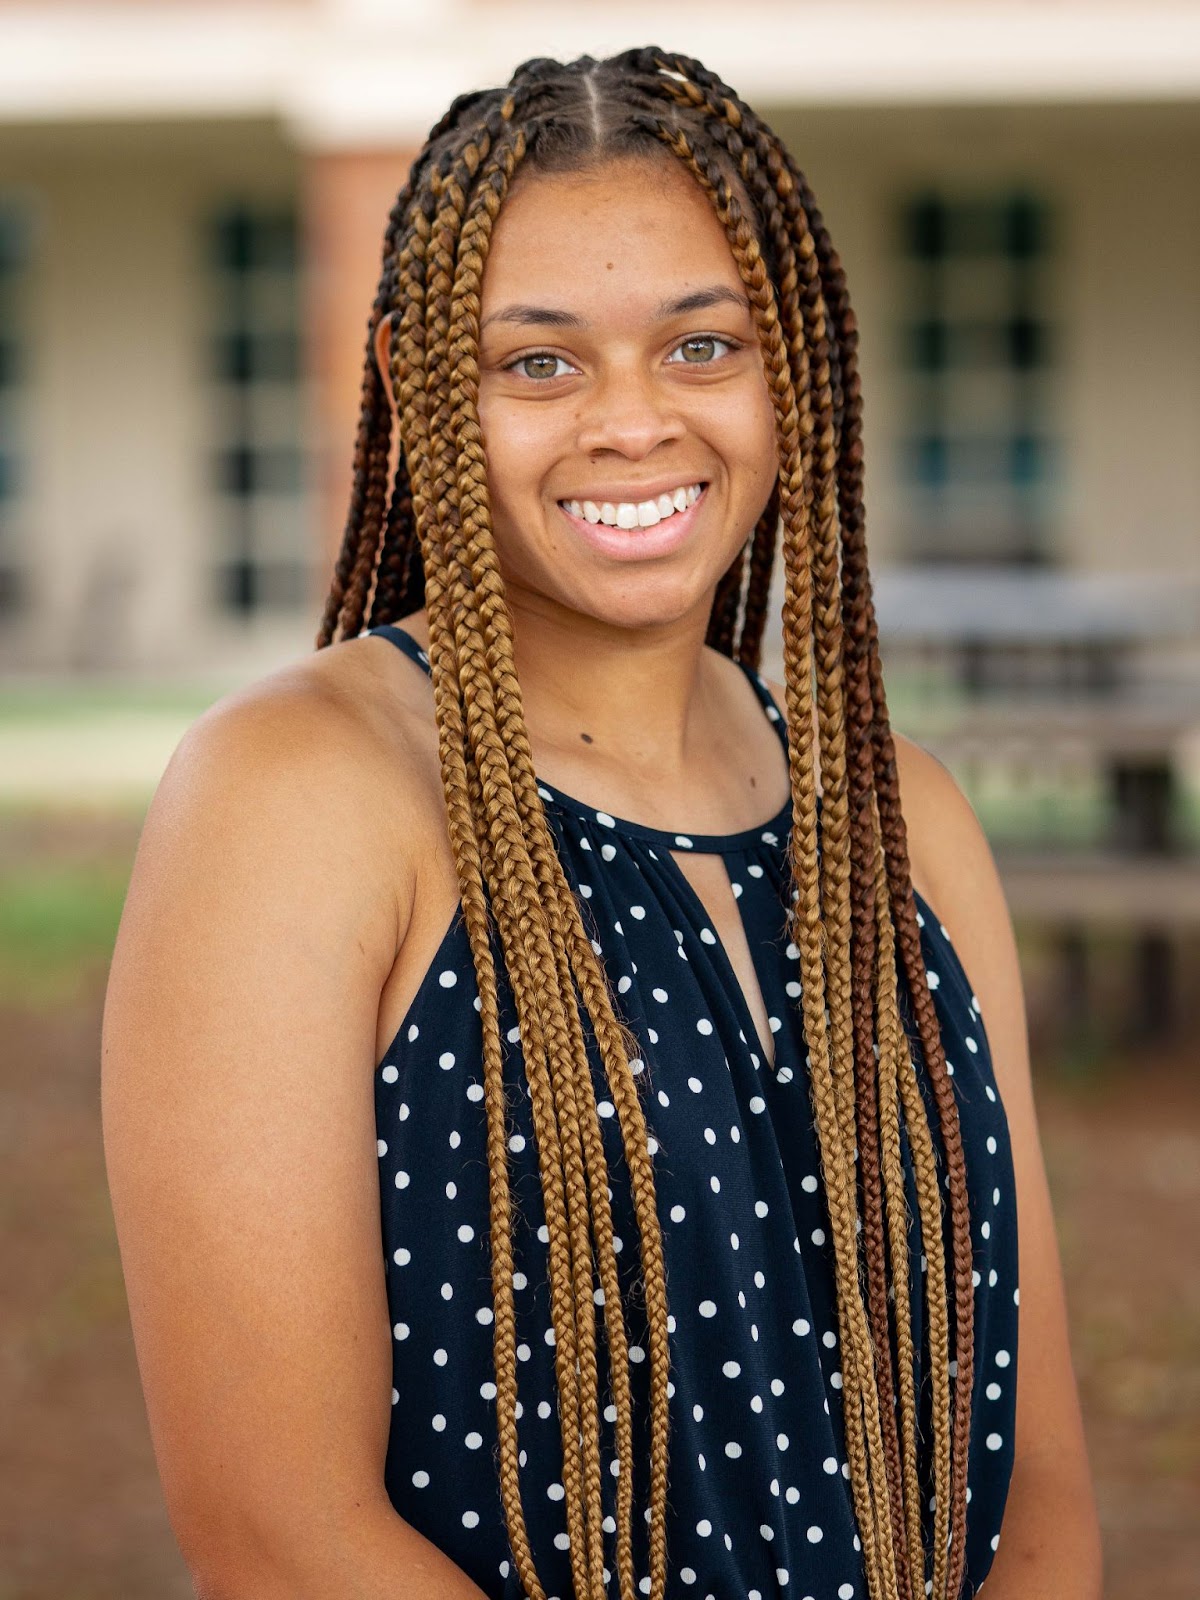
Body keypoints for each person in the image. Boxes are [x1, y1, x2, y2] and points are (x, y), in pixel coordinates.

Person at [100, 47, 1101, 1600]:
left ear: (792, 366)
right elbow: (277, 1528)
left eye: (703, 345)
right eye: (539, 363)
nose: (633, 423)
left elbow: (1036, 1483)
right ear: (417, 383)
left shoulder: (902, 824)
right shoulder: (296, 798)